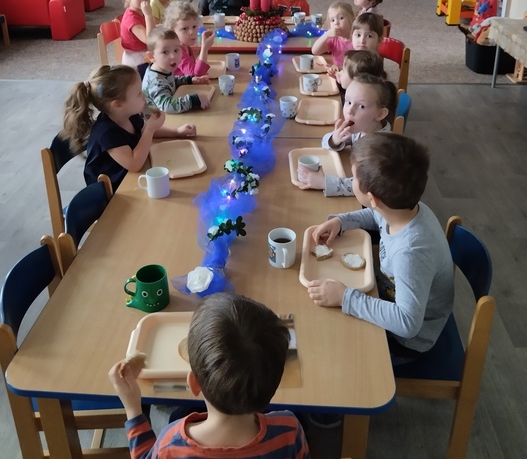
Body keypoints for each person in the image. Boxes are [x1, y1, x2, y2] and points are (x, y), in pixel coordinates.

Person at [307, 132, 454, 365]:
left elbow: (407, 324)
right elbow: (376, 216)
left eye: (353, 178)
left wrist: (345, 298)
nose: (351, 181)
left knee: (330, 348)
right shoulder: (403, 209)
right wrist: (342, 222)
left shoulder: (411, 253)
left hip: (407, 341)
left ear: (372, 198)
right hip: (390, 298)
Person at [108, 292, 310, 458]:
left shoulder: (171, 444)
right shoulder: (290, 431)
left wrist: (133, 409)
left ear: (193, 383)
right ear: (276, 382)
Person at [60, 64, 196, 192]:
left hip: (132, 177)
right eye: (138, 93)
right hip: (112, 194)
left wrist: (177, 132)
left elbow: (145, 130)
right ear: (118, 105)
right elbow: (134, 164)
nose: (144, 96)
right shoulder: (107, 134)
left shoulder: (129, 115)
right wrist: (150, 130)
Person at [298, 73, 397, 196]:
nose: (350, 111)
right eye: (348, 102)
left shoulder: (381, 148)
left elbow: (365, 185)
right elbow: (326, 143)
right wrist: (335, 139)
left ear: (380, 114)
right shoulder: (364, 127)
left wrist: (324, 182)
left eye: (361, 106)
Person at [142, 28, 211, 114]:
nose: (173, 56)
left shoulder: (163, 69)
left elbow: (170, 81)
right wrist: (193, 100)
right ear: (151, 56)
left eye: (176, 50)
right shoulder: (155, 82)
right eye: (165, 52)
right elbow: (167, 105)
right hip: (157, 119)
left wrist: (190, 80)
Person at [164, 0, 215, 77]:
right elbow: (195, 75)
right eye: (184, 29)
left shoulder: (185, 46)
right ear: (172, 31)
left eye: (194, 26)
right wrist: (205, 48)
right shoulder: (177, 51)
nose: (192, 32)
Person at [120, 0, 156, 67]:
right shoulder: (131, 18)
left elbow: (152, 29)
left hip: (144, 54)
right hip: (136, 60)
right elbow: (149, 40)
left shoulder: (141, 11)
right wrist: (148, 15)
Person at [310, 1, 355, 68]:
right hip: (336, 72)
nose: (336, 23)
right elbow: (315, 51)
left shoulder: (357, 39)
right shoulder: (334, 39)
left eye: (341, 18)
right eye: (332, 20)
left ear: (351, 19)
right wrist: (326, 35)